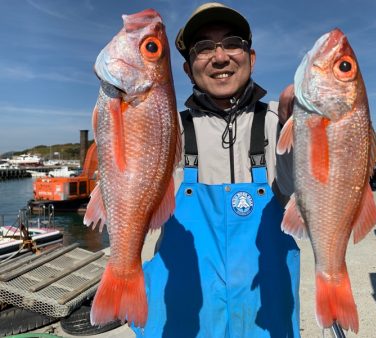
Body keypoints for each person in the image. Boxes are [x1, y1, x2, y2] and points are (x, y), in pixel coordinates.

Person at [131, 2, 300, 338]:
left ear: (251, 58)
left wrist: (301, 134)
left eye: (232, 43)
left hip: (265, 319)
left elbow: (302, 199)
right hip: (181, 320)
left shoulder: (280, 122)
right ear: (186, 68)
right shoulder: (166, 132)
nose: (220, 57)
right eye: (204, 47)